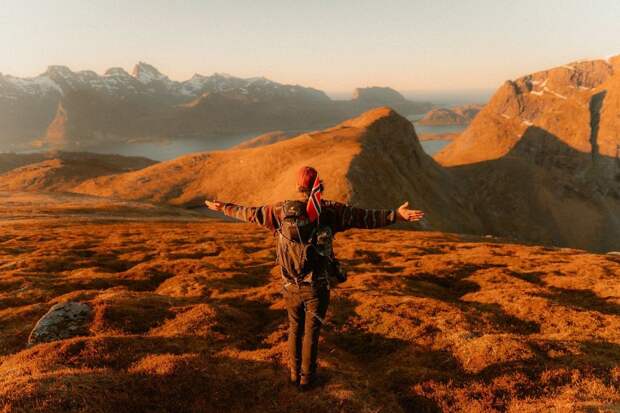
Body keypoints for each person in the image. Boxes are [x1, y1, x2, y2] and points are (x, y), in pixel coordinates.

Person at [205, 166, 425, 390]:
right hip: (317, 287)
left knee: (294, 329)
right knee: (311, 333)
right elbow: (364, 218)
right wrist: (396, 215)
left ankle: (293, 375)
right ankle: (307, 379)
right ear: (318, 185)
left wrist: (223, 207)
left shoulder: (279, 211)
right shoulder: (328, 210)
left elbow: (249, 213)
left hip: (290, 285)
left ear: (298, 185)